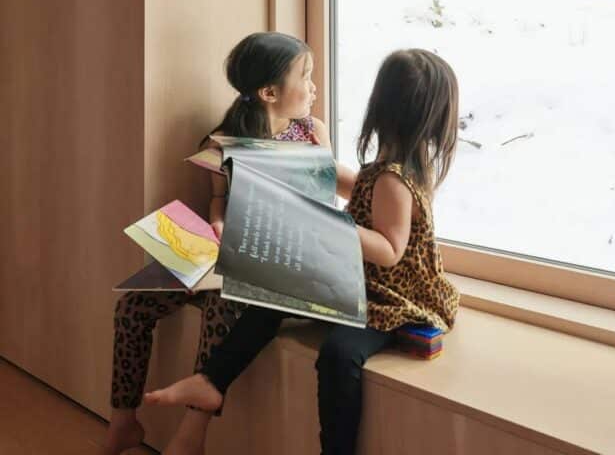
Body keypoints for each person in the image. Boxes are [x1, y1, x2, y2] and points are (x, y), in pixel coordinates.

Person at [145, 48, 460, 455]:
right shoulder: (385, 168)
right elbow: (351, 185)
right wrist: (309, 171)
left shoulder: (394, 180)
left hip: (392, 301)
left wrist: (321, 224)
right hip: (361, 285)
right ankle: (210, 382)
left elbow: (389, 252)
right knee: (278, 292)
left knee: (338, 356)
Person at [103, 31, 349, 455]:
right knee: (132, 303)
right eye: (305, 77)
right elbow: (218, 203)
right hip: (227, 251)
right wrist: (217, 226)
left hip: (288, 260)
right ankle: (123, 421)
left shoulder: (313, 134)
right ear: (269, 92)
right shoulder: (223, 140)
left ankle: (192, 432)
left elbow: (326, 198)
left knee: (221, 304)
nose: (313, 87)